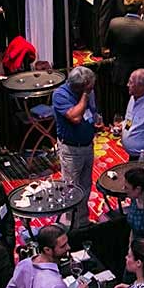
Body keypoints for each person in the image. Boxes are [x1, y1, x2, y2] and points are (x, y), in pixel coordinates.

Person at [52, 67, 103, 227]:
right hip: (71, 150)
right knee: (72, 188)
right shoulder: (60, 94)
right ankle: (71, 224)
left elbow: (91, 111)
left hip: (87, 145)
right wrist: (85, 95)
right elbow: (75, 116)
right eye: (90, 87)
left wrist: (96, 122)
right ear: (82, 87)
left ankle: (82, 221)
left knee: (86, 185)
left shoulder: (88, 92)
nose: (93, 88)